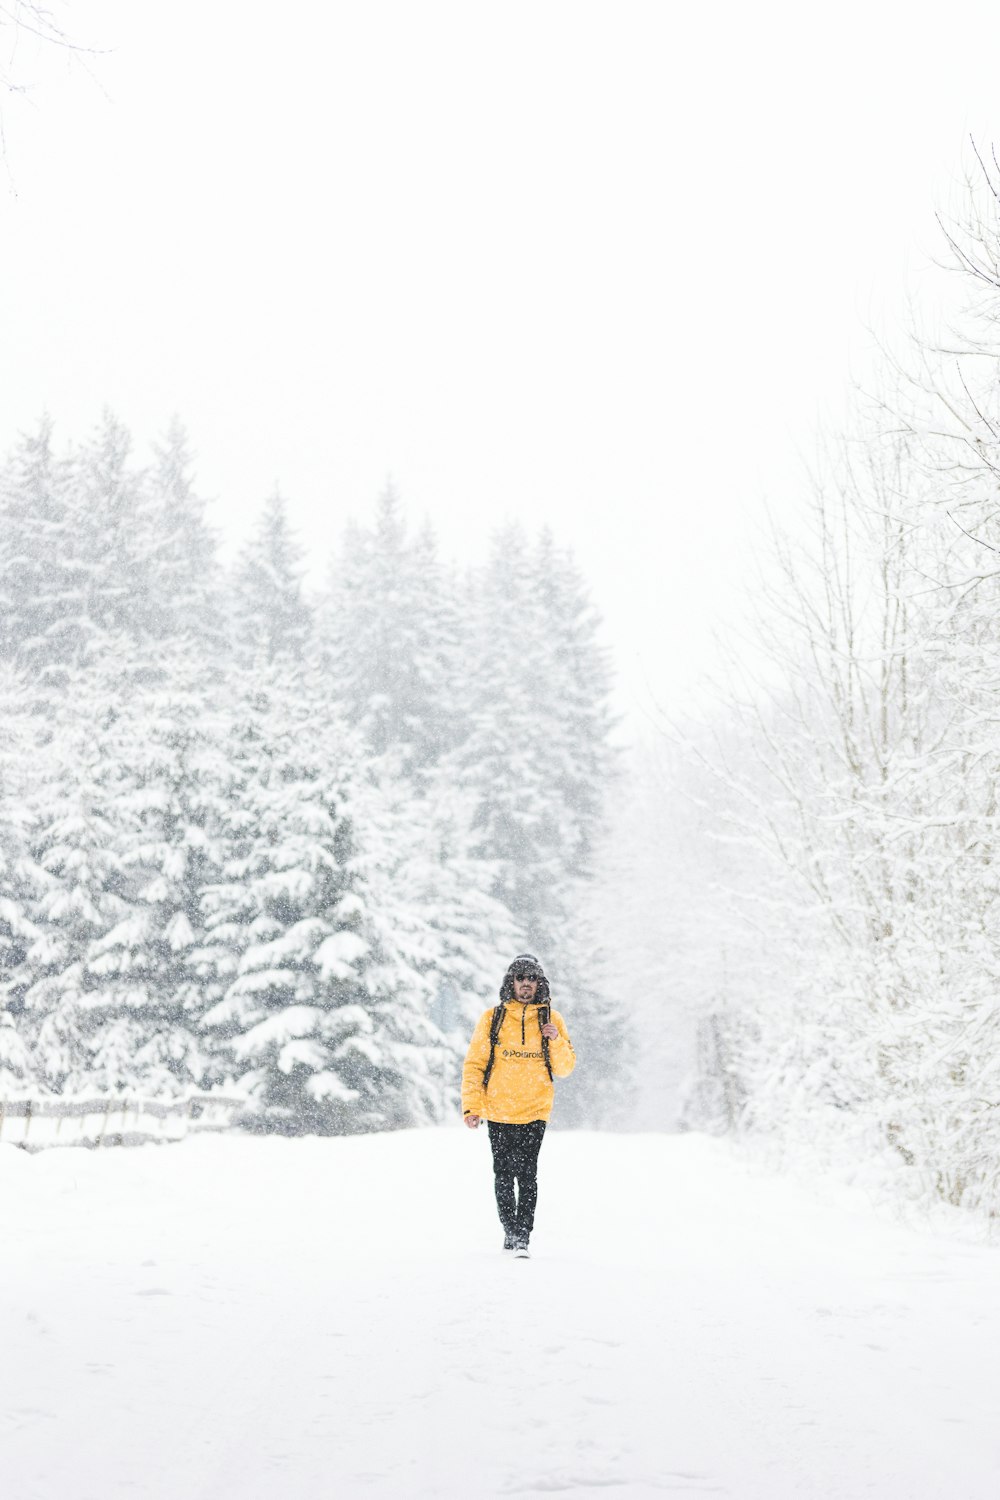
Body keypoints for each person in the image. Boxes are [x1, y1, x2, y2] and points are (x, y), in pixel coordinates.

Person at [461, 953, 575, 1258]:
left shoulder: (552, 1019)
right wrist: (471, 1107)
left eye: (531, 979)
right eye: (520, 978)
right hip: (498, 1109)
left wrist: (555, 1040)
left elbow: (565, 1068)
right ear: (510, 982)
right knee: (502, 1173)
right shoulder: (492, 1018)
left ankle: (523, 1235)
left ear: (540, 984)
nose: (526, 984)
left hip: (535, 1110)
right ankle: (509, 1232)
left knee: (527, 1174)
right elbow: (474, 1064)